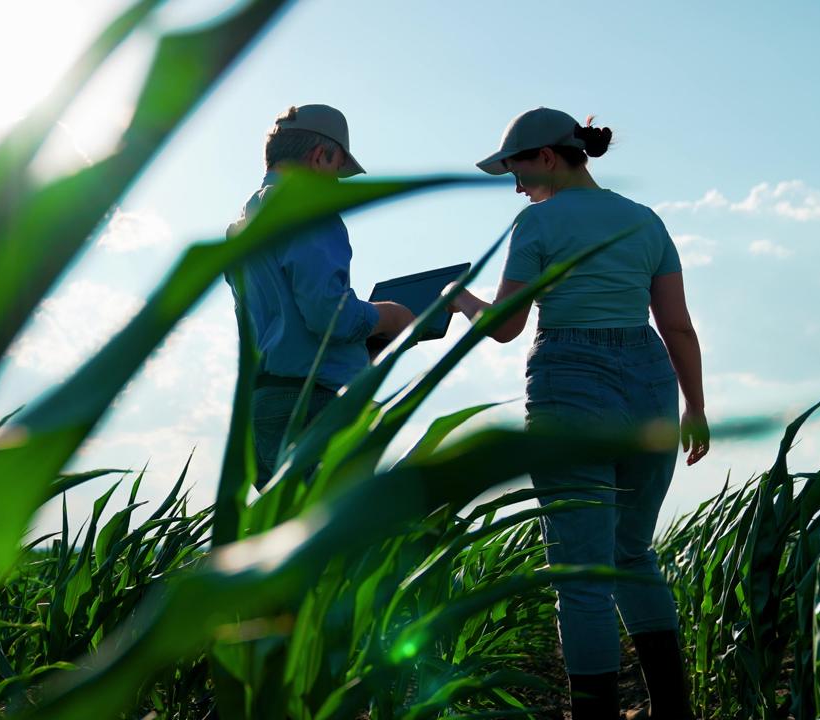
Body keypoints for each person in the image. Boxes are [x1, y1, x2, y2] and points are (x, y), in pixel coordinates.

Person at [448, 107, 709, 720]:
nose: (514, 186)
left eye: (516, 170)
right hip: (652, 384)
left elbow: (508, 327)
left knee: (581, 573)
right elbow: (676, 324)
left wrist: (461, 300)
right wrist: (695, 406)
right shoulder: (645, 221)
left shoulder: (537, 223)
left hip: (571, 379)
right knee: (634, 554)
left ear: (546, 157)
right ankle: (674, 711)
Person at [223, 104, 414, 490]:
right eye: (337, 169)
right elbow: (330, 317)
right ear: (320, 156)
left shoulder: (243, 222)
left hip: (262, 405)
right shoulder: (310, 209)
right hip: (314, 405)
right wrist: (390, 316)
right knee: (345, 542)